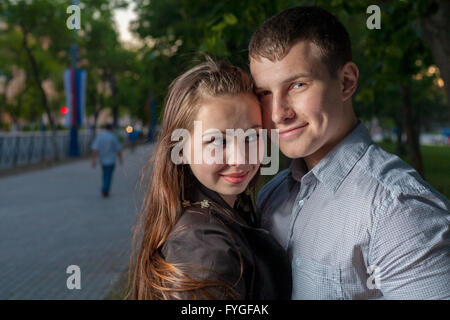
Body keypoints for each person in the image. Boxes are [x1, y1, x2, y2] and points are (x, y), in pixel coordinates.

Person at [249, 6, 450, 299]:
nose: (278, 113)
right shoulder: (271, 197)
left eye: (297, 84)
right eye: (264, 93)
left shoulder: (399, 211)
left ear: (346, 82)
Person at [129, 58, 292, 300]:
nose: (239, 158)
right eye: (218, 141)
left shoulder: (225, 212)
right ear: (180, 149)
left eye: (252, 136)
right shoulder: (205, 250)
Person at [91, 123, 123, 198]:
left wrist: (94, 160)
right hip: (111, 160)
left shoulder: (100, 137)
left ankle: (105, 188)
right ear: (111, 128)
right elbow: (118, 149)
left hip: (102, 160)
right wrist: (120, 159)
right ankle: (105, 189)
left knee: (105, 174)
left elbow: (95, 149)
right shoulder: (113, 137)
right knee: (108, 175)